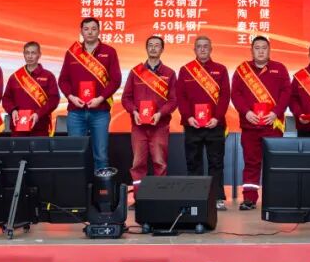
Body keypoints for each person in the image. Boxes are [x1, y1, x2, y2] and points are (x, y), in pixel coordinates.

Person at [231, 36, 291, 210]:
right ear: (251, 51)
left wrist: (275, 113)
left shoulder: (280, 69)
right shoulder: (242, 70)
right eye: (257, 48)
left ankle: (275, 197)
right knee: (251, 162)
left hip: (273, 125)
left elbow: (286, 93)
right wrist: (246, 112)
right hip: (250, 125)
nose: (261, 51)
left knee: (274, 162)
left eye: (264, 47)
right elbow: (236, 94)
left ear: (269, 50)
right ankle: (249, 198)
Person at [58, 17, 122, 176]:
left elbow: (116, 80)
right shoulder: (72, 53)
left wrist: (100, 98)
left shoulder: (109, 52)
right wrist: (71, 97)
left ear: (99, 31)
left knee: (101, 155)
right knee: (75, 154)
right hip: (76, 111)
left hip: (100, 111)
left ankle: (101, 191)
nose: (90, 32)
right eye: (86, 29)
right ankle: (77, 189)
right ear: (81, 31)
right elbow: (63, 80)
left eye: (94, 29)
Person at [176, 36, 231, 210]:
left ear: (211, 49)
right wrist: (187, 117)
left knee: (216, 163)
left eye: (206, 46)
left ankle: (217, 198)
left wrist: (217, 117)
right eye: (199, 46)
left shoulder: (221, 70)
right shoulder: (186, 70)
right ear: (194, 50)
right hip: (192, 125)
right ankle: (196, 197)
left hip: (215, 125)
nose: (202, 49)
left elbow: (225, 96)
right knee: (193, 162)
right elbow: (180, 96)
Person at [121, 35, 178, 190]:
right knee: (138, 164)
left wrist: (160, 113)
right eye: (150, 45)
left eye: (157, 45)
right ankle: (139, 197)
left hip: (160, 126)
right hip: (138, 126)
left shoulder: (169, 73)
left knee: (160, 162)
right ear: (146, 48)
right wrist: (134, 111)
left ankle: (159, 196)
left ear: (162, 49)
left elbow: (173, 100)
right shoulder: (136, 72)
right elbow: (126, 98)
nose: (153, 48)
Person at [2, 42, 60, 137]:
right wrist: (13, 110)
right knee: (19, 147)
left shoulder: (48, 76)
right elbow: (6, 99)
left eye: (33, 53)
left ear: (39, 55)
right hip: (18, 125)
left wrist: (38, 114)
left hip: (40, 125)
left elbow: (54, 99)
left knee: (39, 147)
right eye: (27, 53)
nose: (30, 56)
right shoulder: (15, 77)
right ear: (24, 54)